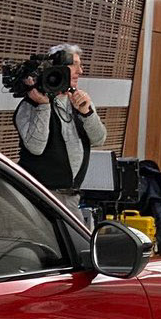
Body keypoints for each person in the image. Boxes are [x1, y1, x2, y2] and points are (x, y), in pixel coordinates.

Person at [14, 43, 108, 208]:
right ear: (56, 68)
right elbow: (36, 147)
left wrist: (87, 113)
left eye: (81, 65)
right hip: (40, 195)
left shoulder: (80, 100)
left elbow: (99, 139)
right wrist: (43, 106)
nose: (80, 71)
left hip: (71, 196)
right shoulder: (30, 105)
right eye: (74, 65)